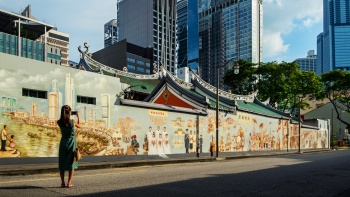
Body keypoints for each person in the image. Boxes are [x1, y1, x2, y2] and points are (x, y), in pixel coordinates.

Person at [57, 105, 80, 188]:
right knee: (71, 163)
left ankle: (63, 182)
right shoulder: (73, 122)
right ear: (69, 112)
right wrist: (78, 116)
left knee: (62, 163)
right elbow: (79, 125)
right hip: (71, 143)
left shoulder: (59, 122)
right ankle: (69, 183)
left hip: (63, 143)